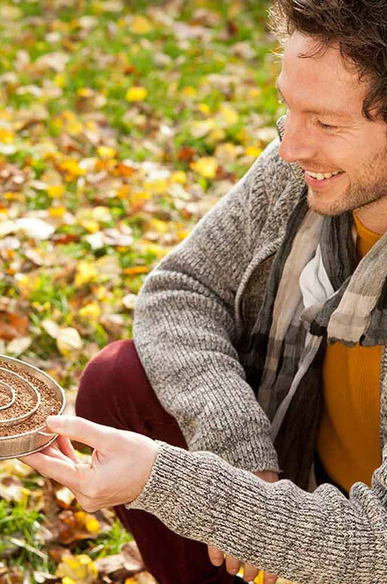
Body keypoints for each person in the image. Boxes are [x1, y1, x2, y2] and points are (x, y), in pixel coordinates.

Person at [22, 1, 387, 583]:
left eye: (326, 123)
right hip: (300, 469)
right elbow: (181, 288)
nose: (290, 147)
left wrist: (172, 484)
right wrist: (244, 472)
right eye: (288, 107)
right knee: (120, 381)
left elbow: (377, 547)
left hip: (366, 540)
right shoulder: (298, 171)